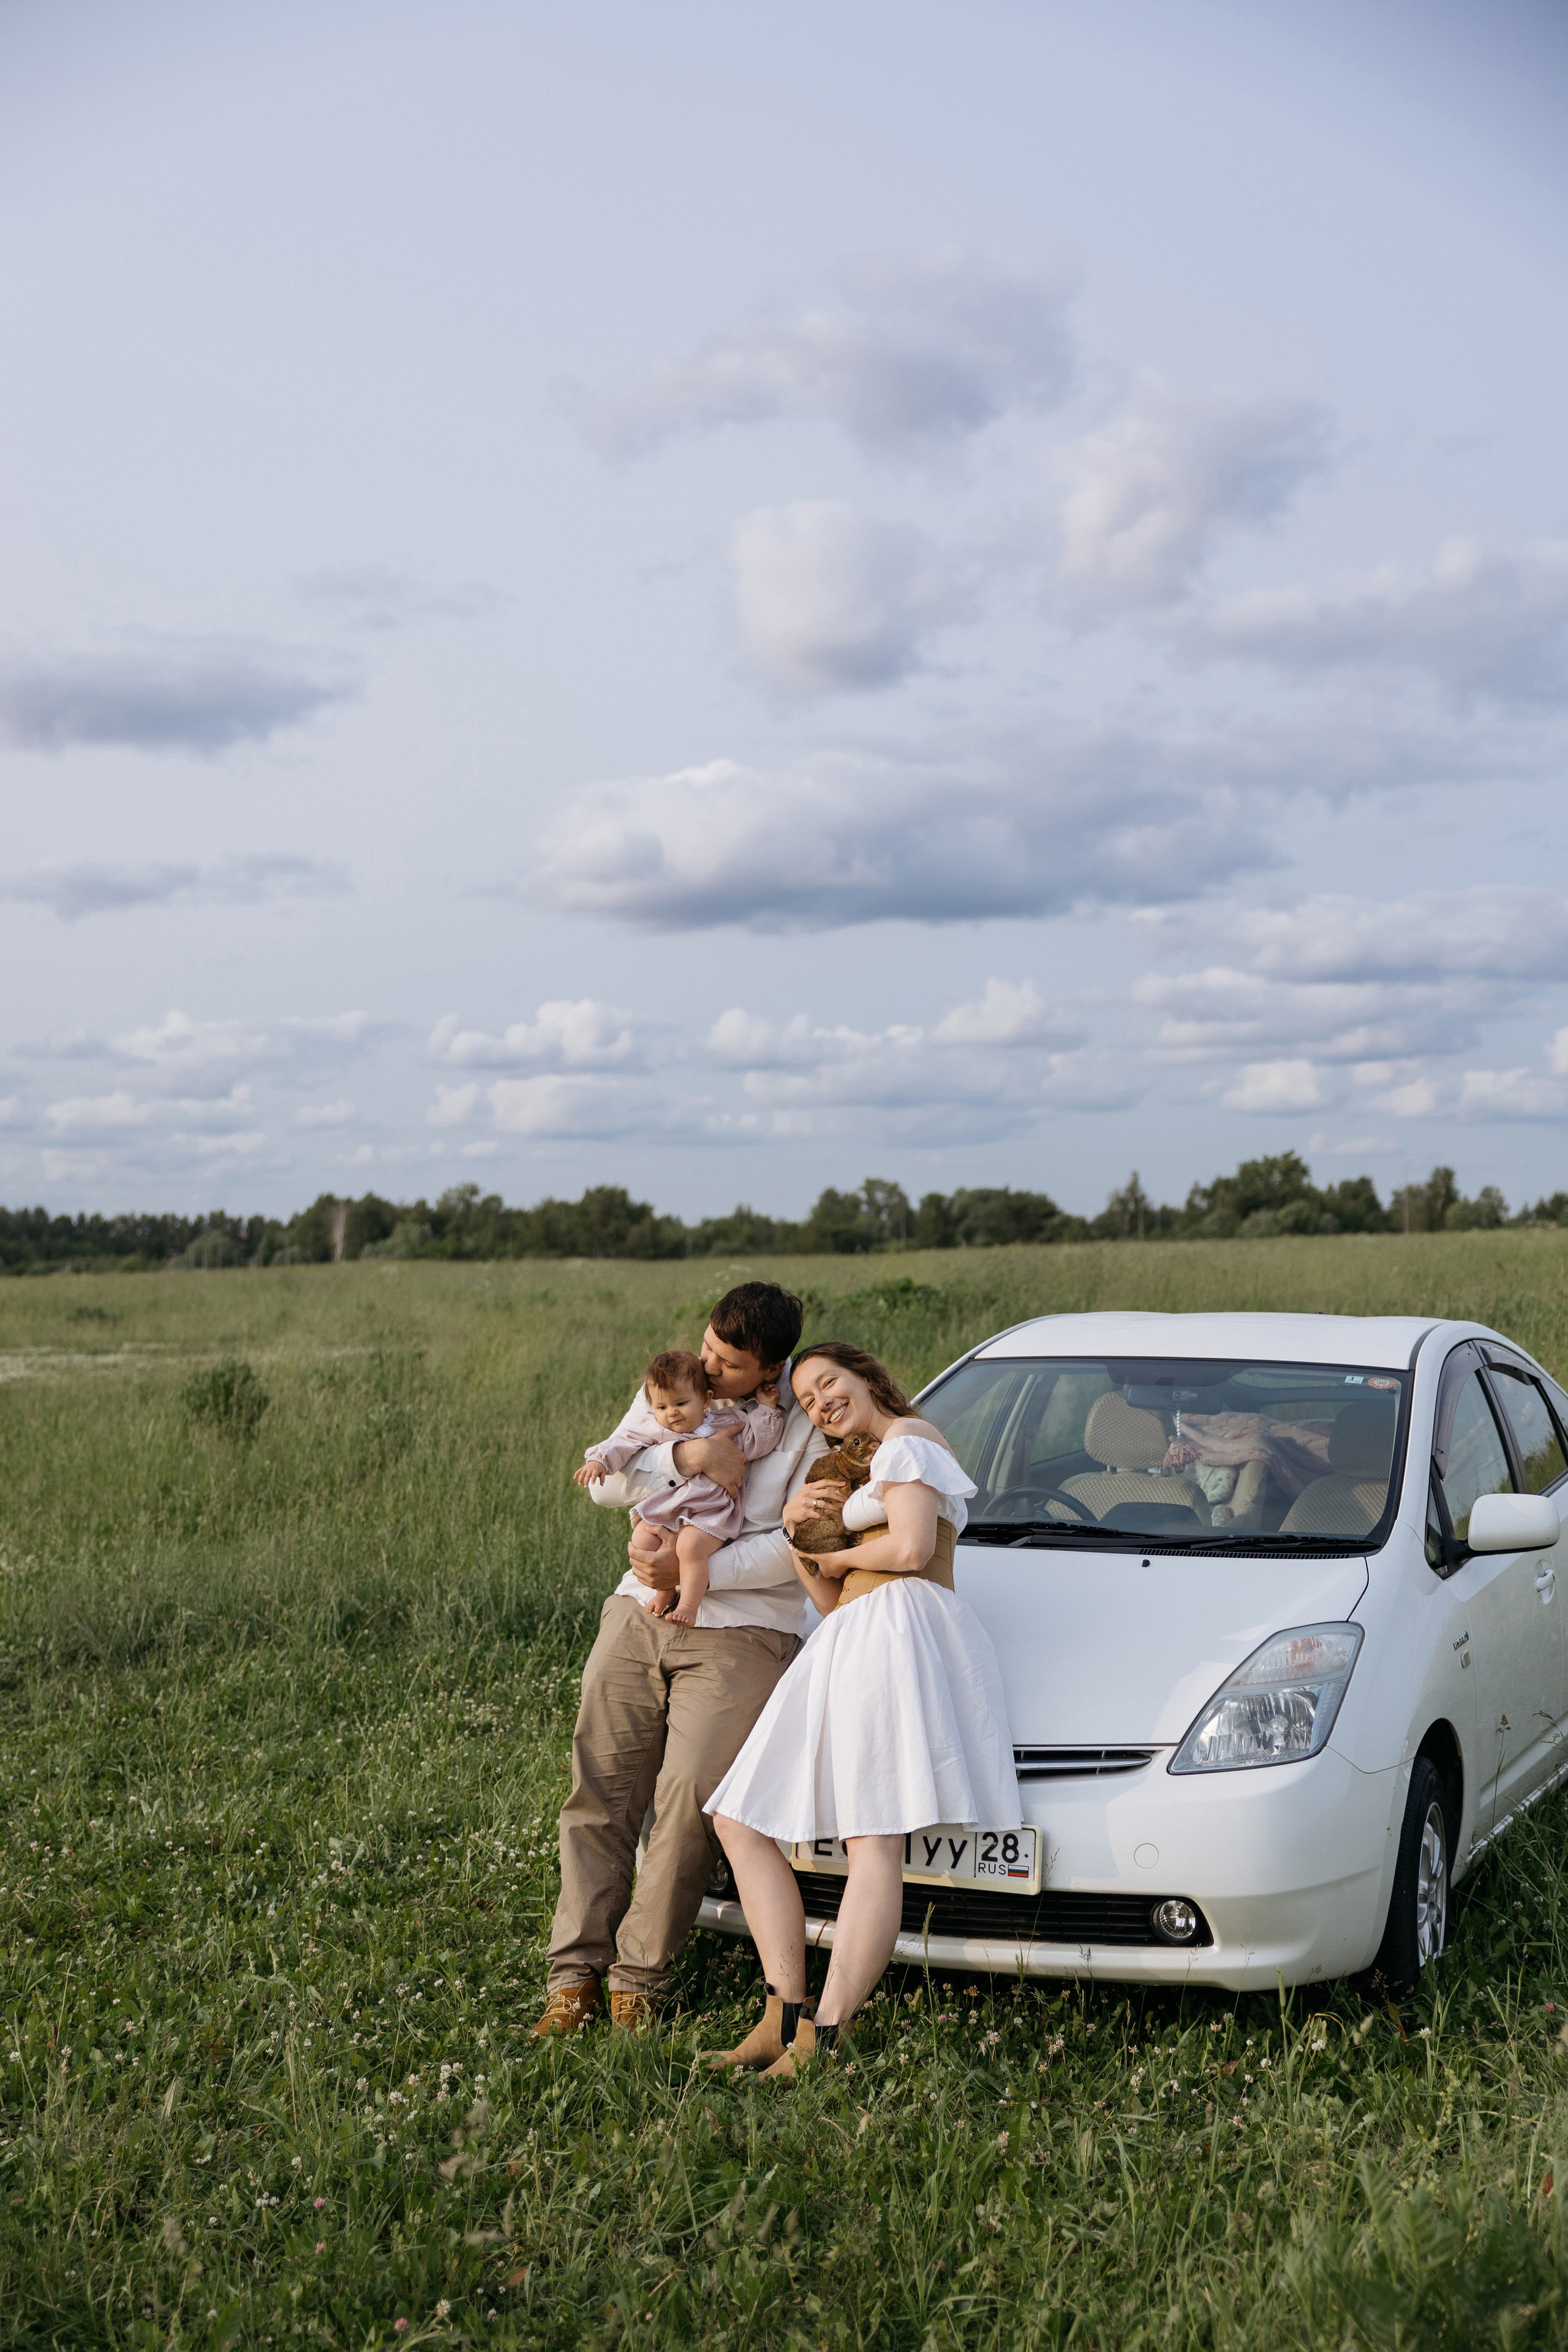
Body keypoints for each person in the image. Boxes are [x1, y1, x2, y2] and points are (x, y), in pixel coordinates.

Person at [706, 1340, 1020, 2080]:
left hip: (899, 1624)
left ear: (867, 1375)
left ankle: (827, 2033)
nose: (820, 1402)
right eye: (809, 1399)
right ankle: (782, 2015)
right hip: (849, 1630)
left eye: (829, 1384)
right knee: (738, 1819)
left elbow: (911, 1549)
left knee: (870, 1840)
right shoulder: (854, 1468)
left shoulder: (911, 1441)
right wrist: (797, 1534)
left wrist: (839, 1555)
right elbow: (824, 1597)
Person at [530, 1281, 827, 2037]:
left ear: (769, 1369)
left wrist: (691, 1574)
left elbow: (792, 1548)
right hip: (637, 1611)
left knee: (691, 1799)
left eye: (726, 1364)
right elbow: (607, 1485)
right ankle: (573, 1975)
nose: (706, 1368)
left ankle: (638, 1978)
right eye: (706, 1348)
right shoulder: (673, 1383)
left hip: (746, 1631)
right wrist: (684, 1452)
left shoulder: (802, 1421)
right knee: (600, 1786)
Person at [575, 1348, 783, 1626]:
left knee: (689, 1547)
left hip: (710, 1511)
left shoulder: (727, 1422)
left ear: (705, 1400)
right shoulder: (655, 1427)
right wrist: (599, 1461)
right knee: (642, 1540)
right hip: (669, 1507)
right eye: (662, 1407)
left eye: (681, 1404)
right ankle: (664, 1591)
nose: (671, 1413)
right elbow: (623, 1441)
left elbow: (758, 1441)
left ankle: (688, 1604)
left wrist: (767, 1409)